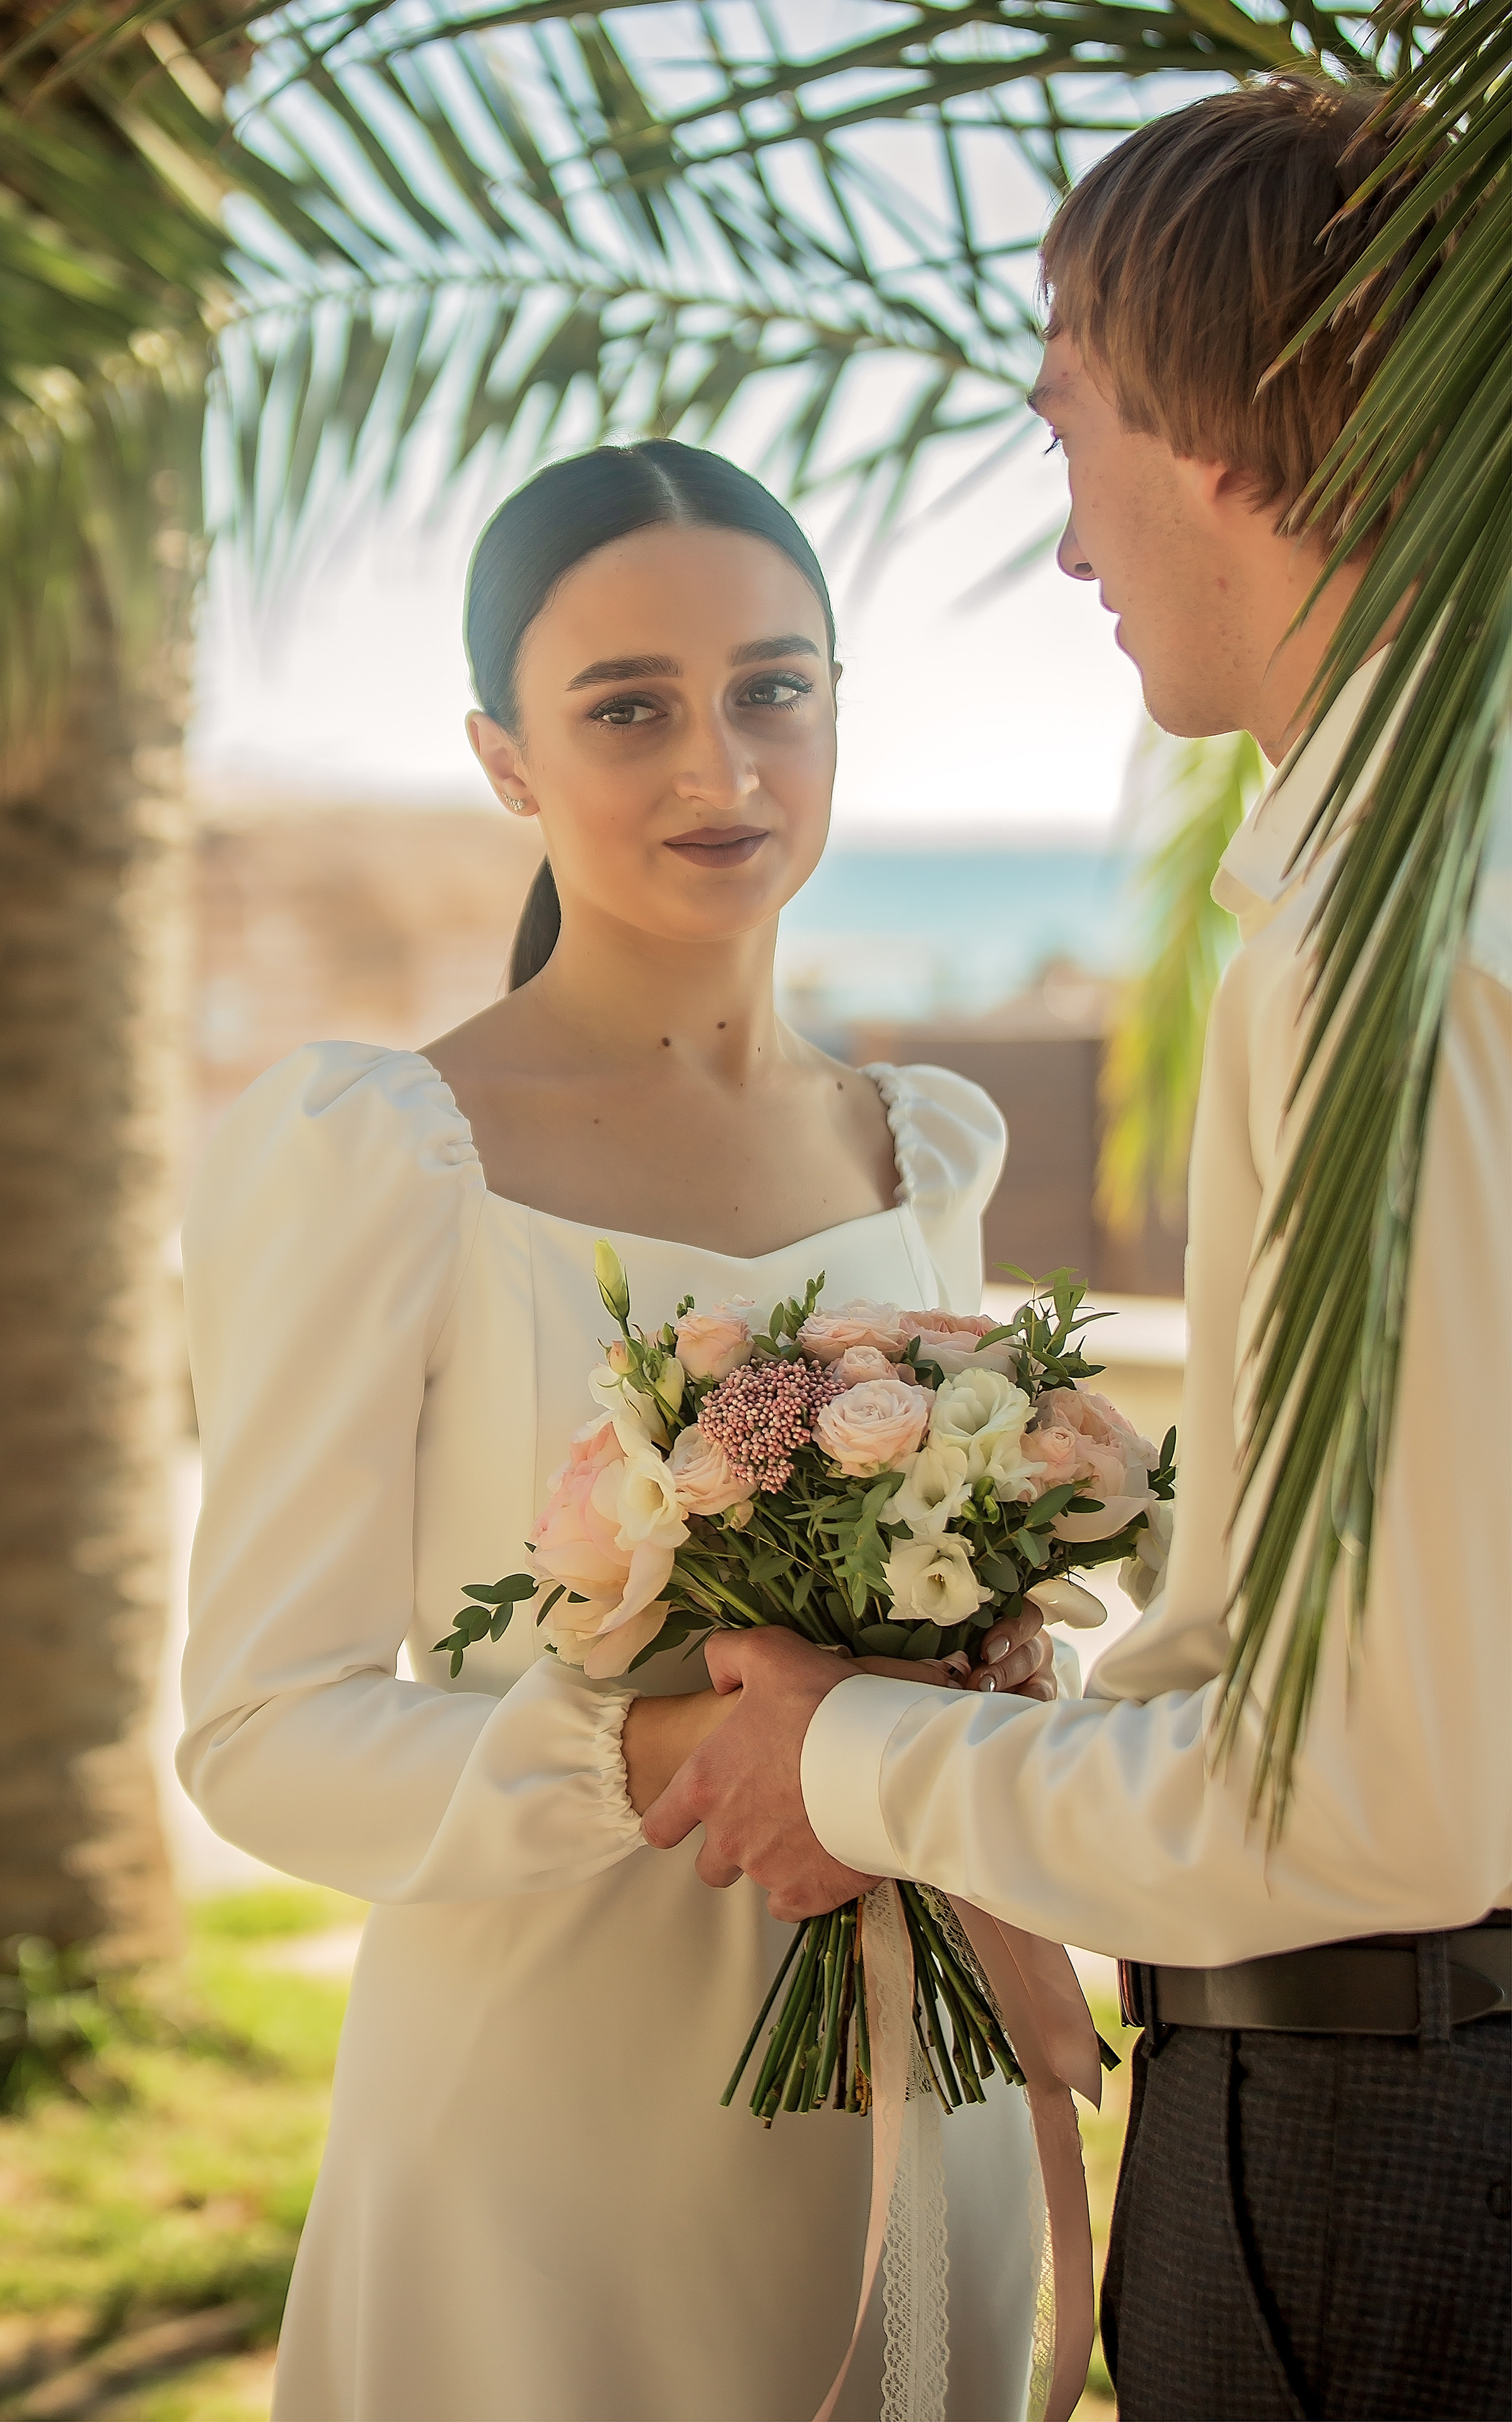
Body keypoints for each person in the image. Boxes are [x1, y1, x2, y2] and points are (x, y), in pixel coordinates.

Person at [644, 80, 1512, 2422]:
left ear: (1231, 414)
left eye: (1072, 427)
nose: (1066, 546)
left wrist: (858, 1755)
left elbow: (1375, 1814)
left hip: (1394, 2165)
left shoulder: (1383, 949)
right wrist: (1138, 1565)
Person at [178, 439, 1062, 2422]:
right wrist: (670, 1749)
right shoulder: (384, 1157)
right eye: (629, 710)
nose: (720, 770)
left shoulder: (919, 1145)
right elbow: (259, 1731)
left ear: (839, 705)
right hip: (549, 2151)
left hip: (925, 2097)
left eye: (772, 690)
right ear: (505, 759)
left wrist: (995, 1664)